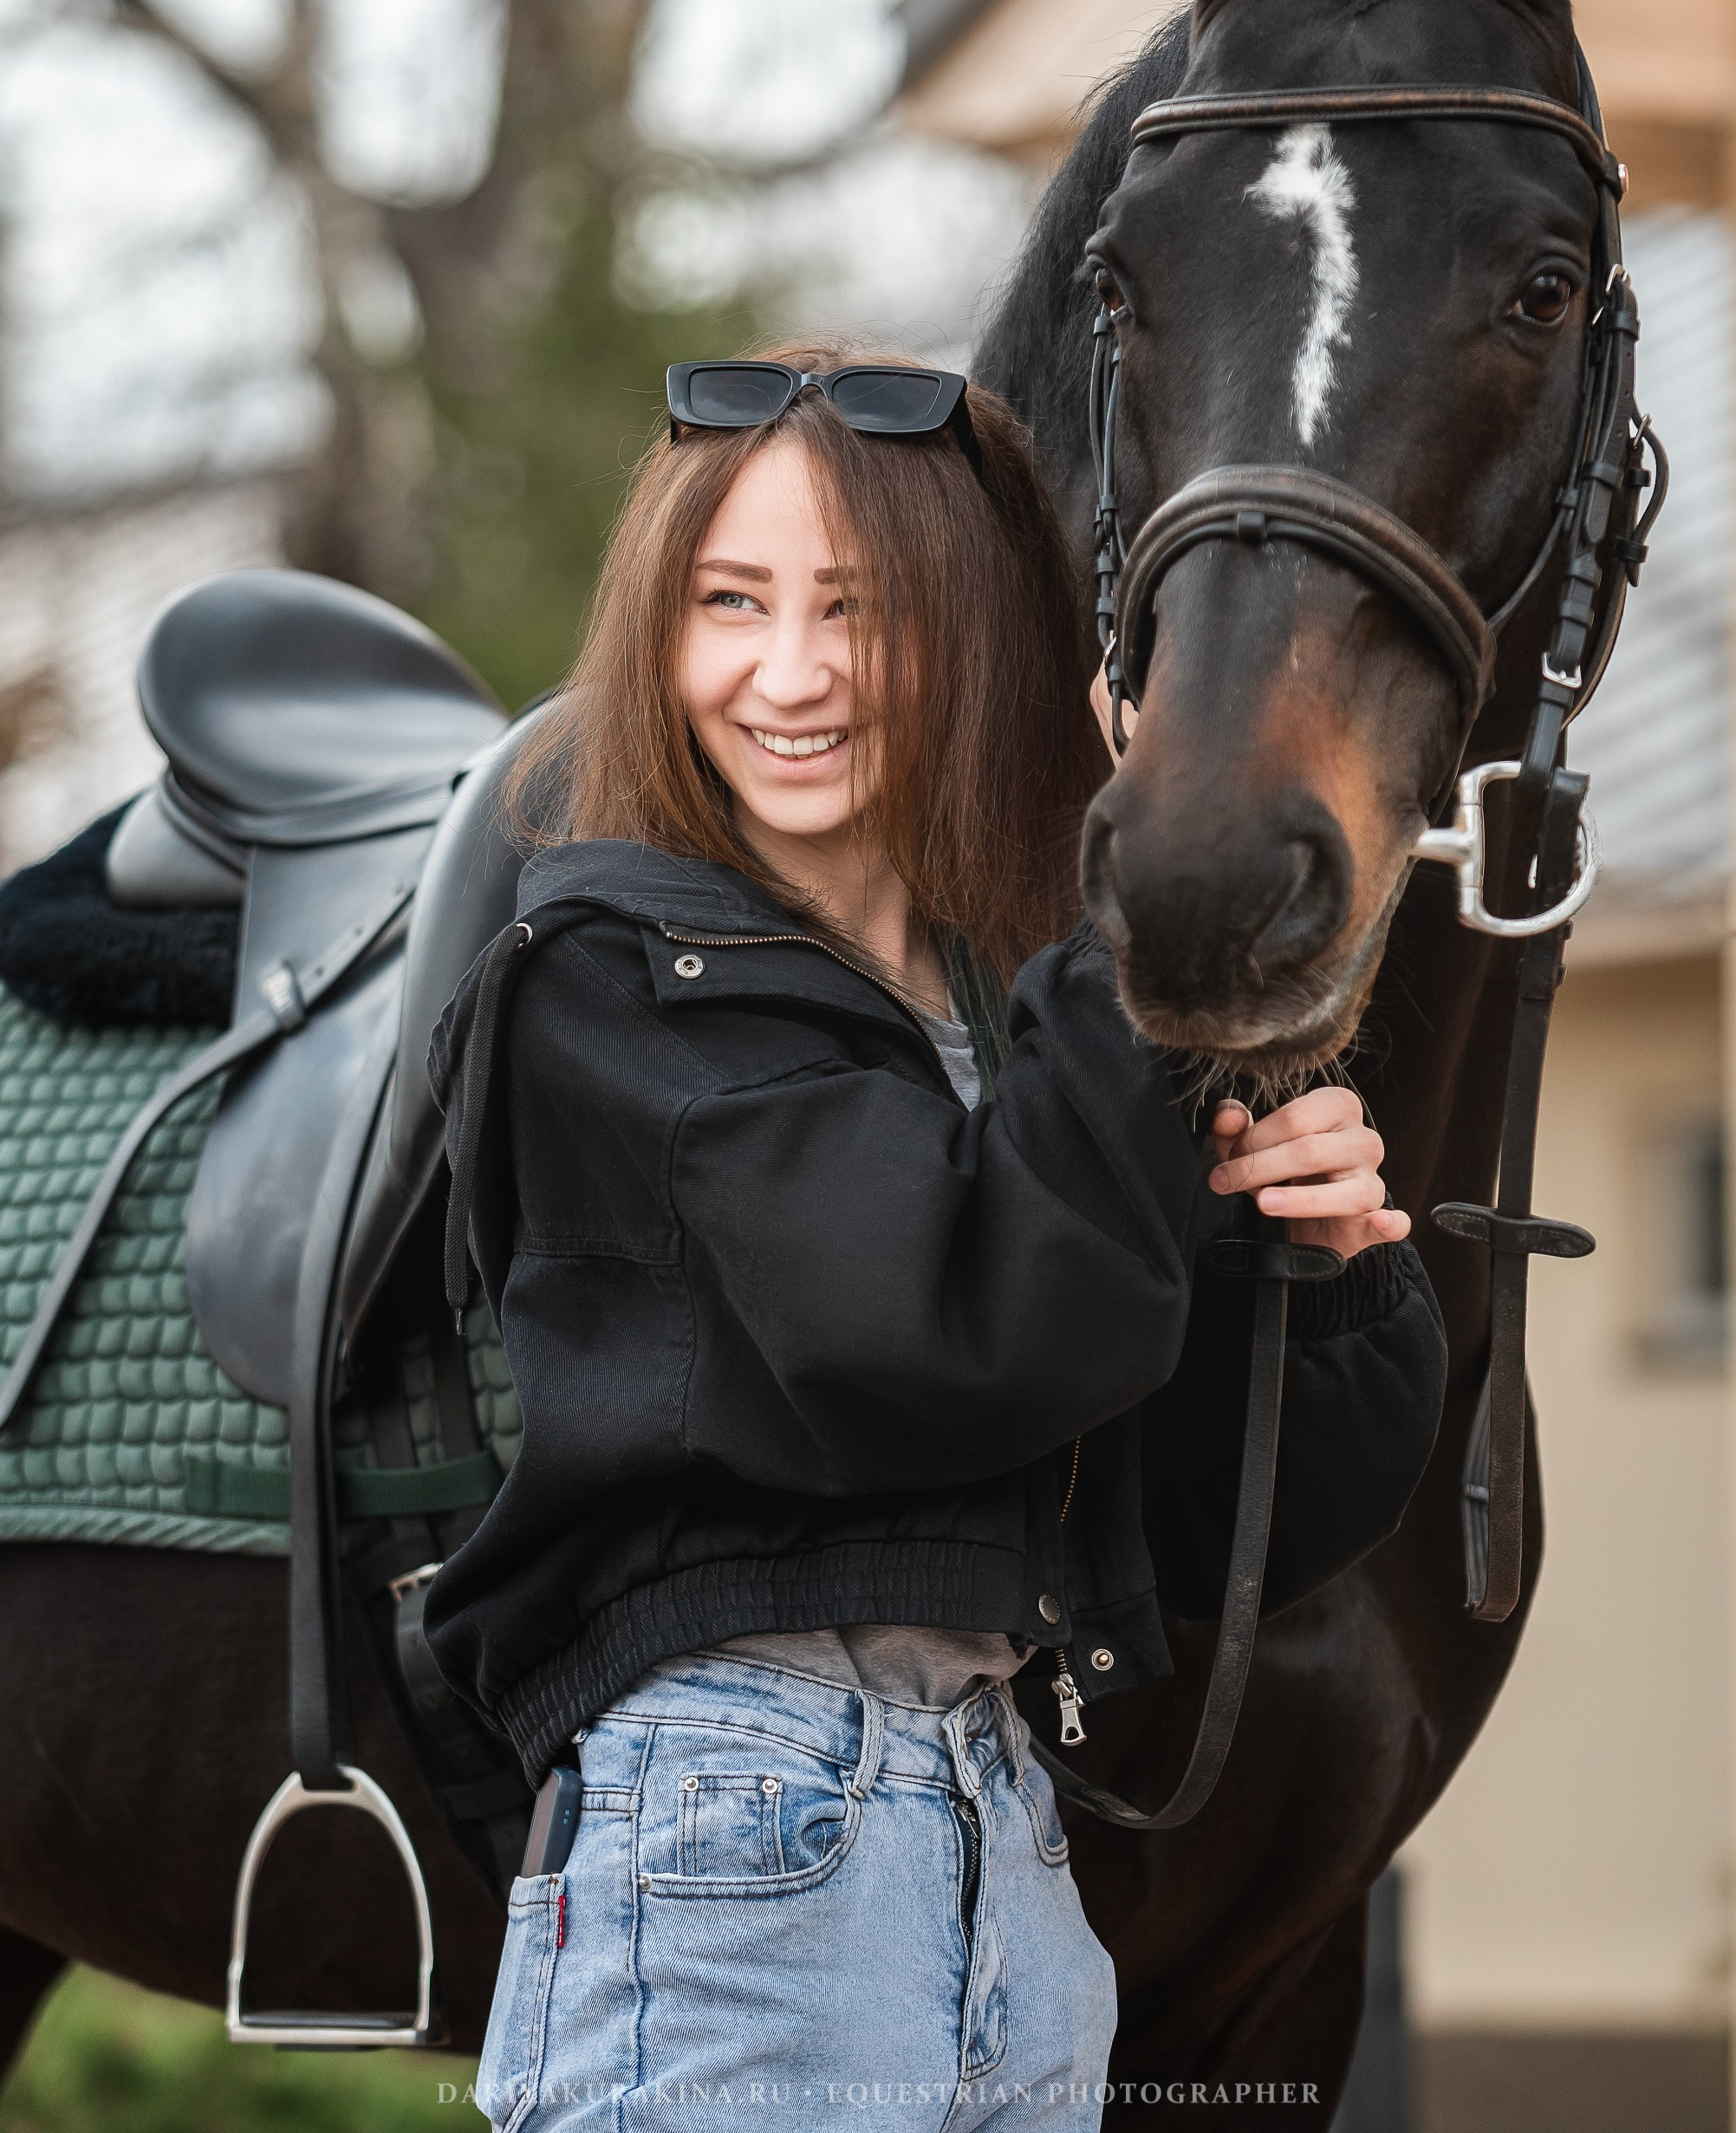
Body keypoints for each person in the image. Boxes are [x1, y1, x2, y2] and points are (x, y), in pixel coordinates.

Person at [425, 347, 1447, 2133]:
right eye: (729, 602)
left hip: (1005, 1834)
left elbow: (1228, 1532)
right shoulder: (613, 978)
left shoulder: (1020, 1025)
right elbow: (955, 1333)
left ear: (974, 634)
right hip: (737, 1816)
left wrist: (1319, 1256)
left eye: (862, 609)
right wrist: (1146, 886)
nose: (790, 672)